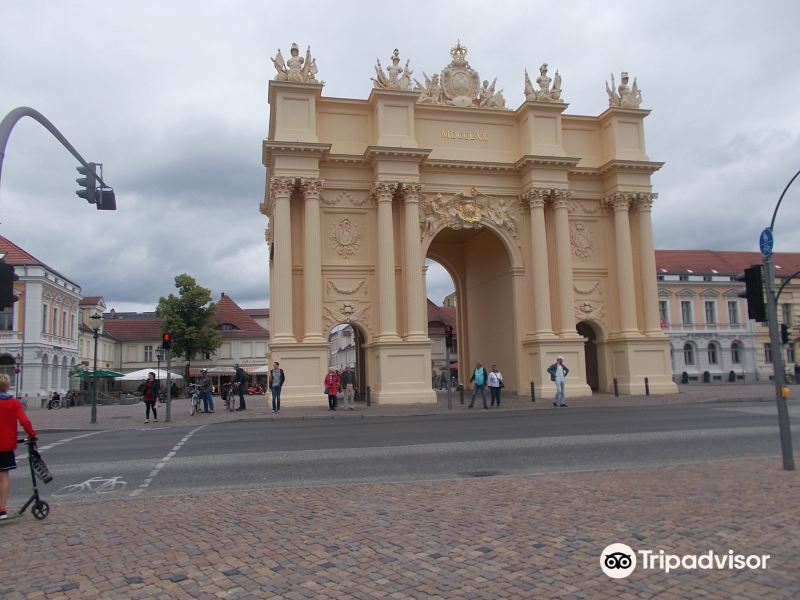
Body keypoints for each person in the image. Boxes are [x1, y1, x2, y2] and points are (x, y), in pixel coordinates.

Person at [0, 373, 37, 520]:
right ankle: (2, 510)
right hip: (5, 445)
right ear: (8, 386)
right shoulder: (14, 403)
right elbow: (25, 421)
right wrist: (32, 435)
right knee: (3, 476)